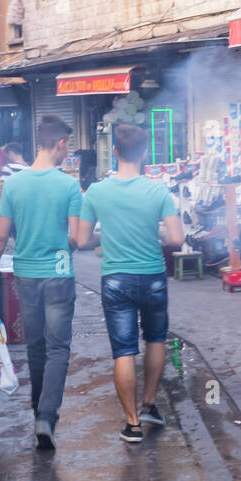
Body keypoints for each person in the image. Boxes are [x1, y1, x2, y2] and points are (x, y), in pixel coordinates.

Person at [0, 117, 82, 451]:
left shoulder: (15, 186)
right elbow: (76, 238)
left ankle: (39, 412)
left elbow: (0, 234)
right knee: (59, 347)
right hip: (59, 274)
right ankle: (46, 416)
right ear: (61, 143)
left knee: (35, 345)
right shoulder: (68, 186)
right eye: (69, 145)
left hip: (25, 274)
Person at [77, 124, 184, 443]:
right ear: (145, 153)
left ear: (114, 153)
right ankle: (150, 404)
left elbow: (81, 240)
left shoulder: (96, 191)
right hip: (152, 276)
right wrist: (155, 233)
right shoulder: (158, 191)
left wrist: (107, 235)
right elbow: (177, 238)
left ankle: (132, 423)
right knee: (155, 339)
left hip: (115, 279)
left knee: (123, 350)